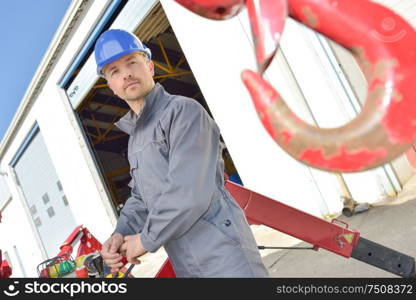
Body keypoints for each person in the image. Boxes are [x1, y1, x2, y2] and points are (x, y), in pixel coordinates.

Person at [95, 29, 268, 277]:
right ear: (111, 86)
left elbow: (189, 190)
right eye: (115, 71)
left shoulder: (184, 113)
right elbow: (142, 198)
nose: (127, 74)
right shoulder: (136, 140)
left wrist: (145, 239)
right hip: (185, 263)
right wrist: (120, 233)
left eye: (132, 62)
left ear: (150, 67)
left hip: (223, 254)